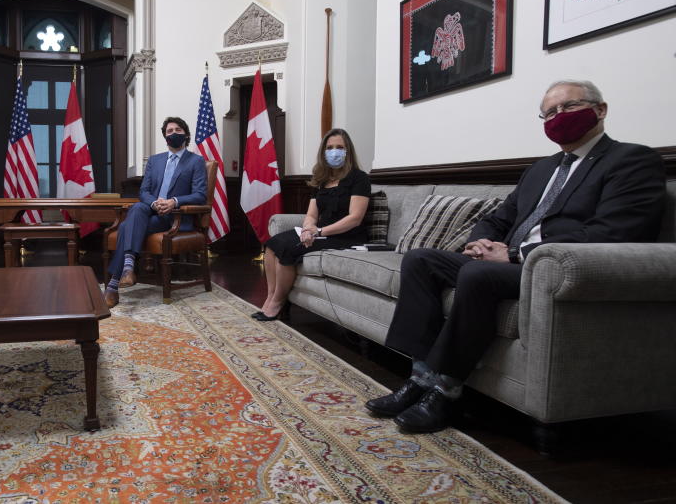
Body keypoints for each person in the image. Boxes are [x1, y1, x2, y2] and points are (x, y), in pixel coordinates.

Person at [365, 80, 666, 433]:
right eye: (549, 112)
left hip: (551, 269)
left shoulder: (632, 160)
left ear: (600, 110)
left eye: (568, 107)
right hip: (505, 259)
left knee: (476, 276)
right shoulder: (540, 169)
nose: (558, 117)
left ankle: (446, 392)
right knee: (420, 259)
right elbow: (497, 218)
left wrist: (514, 254)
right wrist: (479, 244)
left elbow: (613, 233)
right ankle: (419, 378)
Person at [253, 128, 371, 321]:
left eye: (339, 147)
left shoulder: (360, 178)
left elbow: (355, 218)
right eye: (330, 147)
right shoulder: (322, 180)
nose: (334, 151)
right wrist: (308, 229)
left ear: (348, 150)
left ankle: (278, 302)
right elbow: (311, 214)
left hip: (346, 236)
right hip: (320, 233)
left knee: (288, 249)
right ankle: (270, 296)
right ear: (323, 152)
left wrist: (319, 231)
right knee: (274, 243)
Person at [103, 117, 207, 307]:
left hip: (174, 217)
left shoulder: (196, 161)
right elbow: (144, 191)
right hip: (151, 210)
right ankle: (126, 269)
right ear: (165, 136)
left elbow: (200, 195)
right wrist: (155, 204)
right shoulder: (155, 160)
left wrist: (173, 202)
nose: (173, 133)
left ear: (185, 134)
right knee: (138, 207)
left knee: (126, 226)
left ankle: (114, 284)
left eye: (177, 130)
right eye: (169, 131)